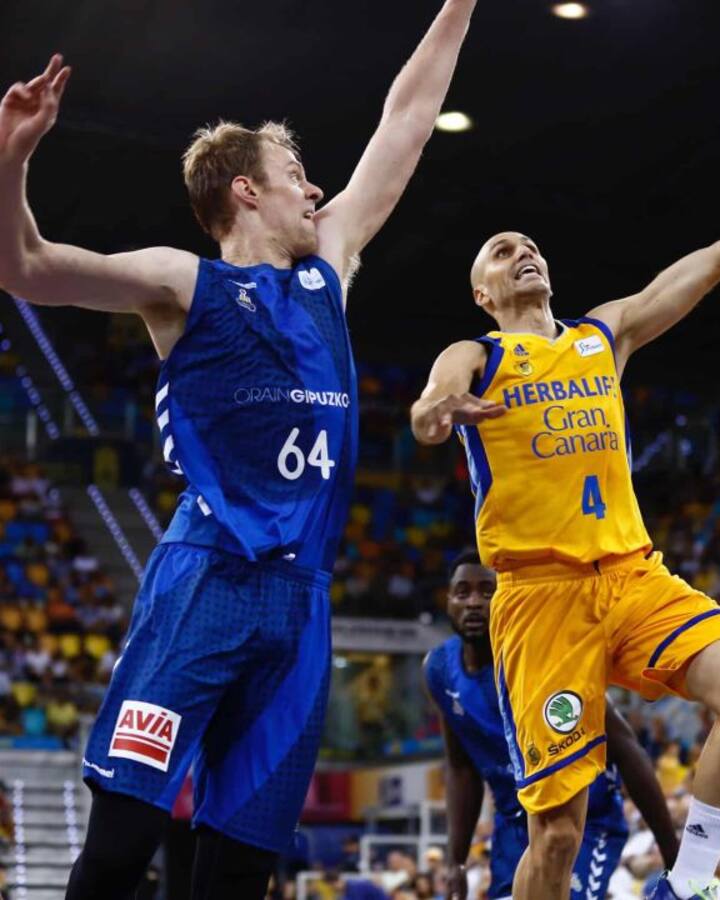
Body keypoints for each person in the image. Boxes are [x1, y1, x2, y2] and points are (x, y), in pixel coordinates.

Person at [0, 8, 479, 897]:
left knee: (240, 872)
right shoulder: (185, 282)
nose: (316, 189)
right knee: (122, 843)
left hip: (302, 604)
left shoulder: (328, 267)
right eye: (296, 174)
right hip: (207, 579)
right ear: (247, 191)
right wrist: (12, 158)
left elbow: (407, 120)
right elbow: (25, 266)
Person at [409, 118, 720, 900]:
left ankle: (689, 883)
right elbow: (428, 407)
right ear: (483, 293)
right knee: (557, 834)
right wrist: (440, 411)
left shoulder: (603, 334)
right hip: (540, 598)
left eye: (531, 246)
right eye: (503, 251)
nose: (524, 253)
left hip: (631, 575)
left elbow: (719, 258)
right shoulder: (478, 355)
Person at [425, 552, 678, 900]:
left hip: (584, 820)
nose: (474, 603)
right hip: (514, 826)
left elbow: (626, 748)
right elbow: (461, 768)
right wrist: (456, 861)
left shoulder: (545, 659)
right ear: (448, 601)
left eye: (487, 591)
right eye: (462, 592)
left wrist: (672, 853)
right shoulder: (439, 669)